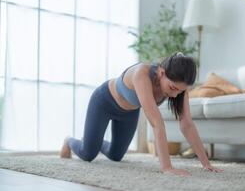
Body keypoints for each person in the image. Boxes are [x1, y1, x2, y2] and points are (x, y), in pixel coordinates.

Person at [60, 52, 223, 176]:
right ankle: (70, 141)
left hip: (128, 113)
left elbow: (187, 124)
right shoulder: (141, 74)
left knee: (116, 155)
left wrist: (205, 163)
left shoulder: (179, 91)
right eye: (173, 88)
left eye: (181, 91)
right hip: (103, 102)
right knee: (88, 154)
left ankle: (93, 141)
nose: (175, 95)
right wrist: (167, 168)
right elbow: (157, 123)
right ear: (161, 72)